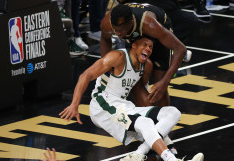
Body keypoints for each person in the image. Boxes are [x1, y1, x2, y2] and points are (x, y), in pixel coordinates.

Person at [59, 37, 204, 161]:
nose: (148, 49)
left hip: (123, 105)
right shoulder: (117, 57)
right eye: (144, 45)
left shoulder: (146, 66)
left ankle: (138, 154)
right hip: (103, 106)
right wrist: (74, 104)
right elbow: (86, 76)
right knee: (146, 123)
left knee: (173, 112)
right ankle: (171, 158)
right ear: (134, 45)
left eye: (150, 46)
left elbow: (140, 92)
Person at [100, 3, 186, 108]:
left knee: (159, 85)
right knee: (133, 80)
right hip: (135, 36)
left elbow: (181, 49)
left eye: (120, 30)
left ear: (130, 23)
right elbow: (105, 39)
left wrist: (165, 82)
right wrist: (105, 65)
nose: (117, 34)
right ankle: (150, 118)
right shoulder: (107, 23)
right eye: (115, 30)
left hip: (158, 34)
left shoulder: (150, 24)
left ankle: (164, 119)